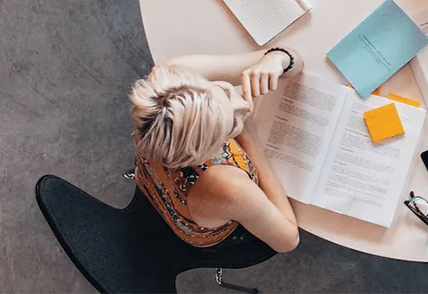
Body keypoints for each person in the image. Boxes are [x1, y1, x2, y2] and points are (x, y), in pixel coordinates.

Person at [129, 47, 302, 252]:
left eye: (225, 91)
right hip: (205, 225)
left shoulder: (173, 76)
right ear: (208, 152)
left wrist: (278, 59)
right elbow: (288, 240)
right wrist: (250, 138)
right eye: (232, 125)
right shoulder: (229, 186)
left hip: (154, 180)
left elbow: (293, 59)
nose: (245, 105)